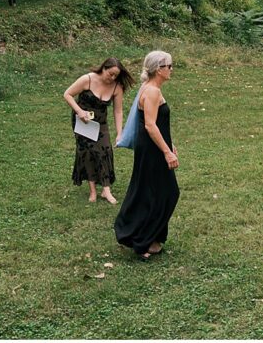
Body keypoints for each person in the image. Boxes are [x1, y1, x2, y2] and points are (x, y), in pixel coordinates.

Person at [114, 51, 180, 259]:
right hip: (152, 149)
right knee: (167, 192)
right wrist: (167, 152)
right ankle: (140, 238)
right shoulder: (151, 91)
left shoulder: (152, 89)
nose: (171, 69)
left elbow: (159, 124)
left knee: (152, 190)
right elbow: (150, 126)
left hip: (154, 146)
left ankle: (149, 239)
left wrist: (171, 144)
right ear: (158, 69)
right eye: (169, 66)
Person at [64, 58, 134, 204]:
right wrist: (79, 111)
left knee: (104, 150)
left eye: (116, 75)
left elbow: (118, 111)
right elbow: (68, 94)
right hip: (83, 121)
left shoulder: (116, 87)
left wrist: (119, 133)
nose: (112, 78)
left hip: (100, 123)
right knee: (87, 152)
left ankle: (106, 190)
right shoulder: (87, 79)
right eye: (110, 74)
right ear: (103, 68)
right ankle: (93, 191)